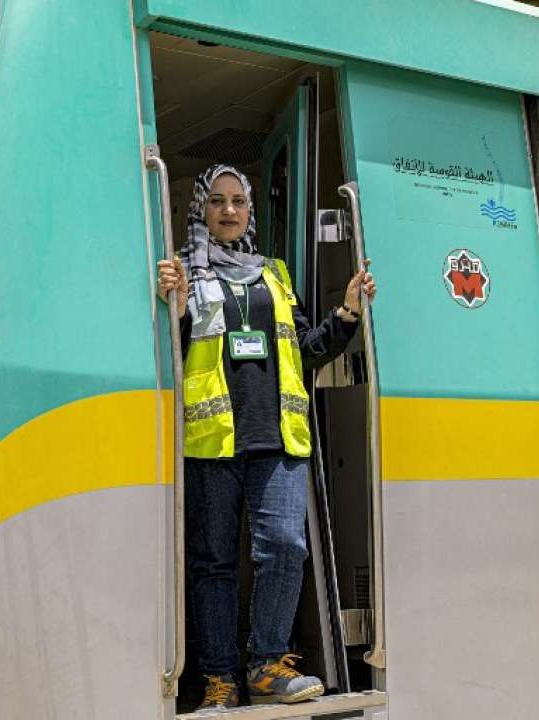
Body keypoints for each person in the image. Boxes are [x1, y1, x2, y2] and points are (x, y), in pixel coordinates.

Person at [156, 164, 376, 711]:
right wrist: (173, 308)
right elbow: (167, 355)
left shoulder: (273, 275)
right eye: (217, 201)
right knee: (214, 563)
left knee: (284, 546)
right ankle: (218, 681)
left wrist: (347, 312)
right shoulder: (181, 273)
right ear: (200, 210)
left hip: (277, 438)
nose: (229, 211)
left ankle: (265, 664)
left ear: (250, 211)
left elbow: (306, 346)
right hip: (212, 440)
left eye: (238, 202)